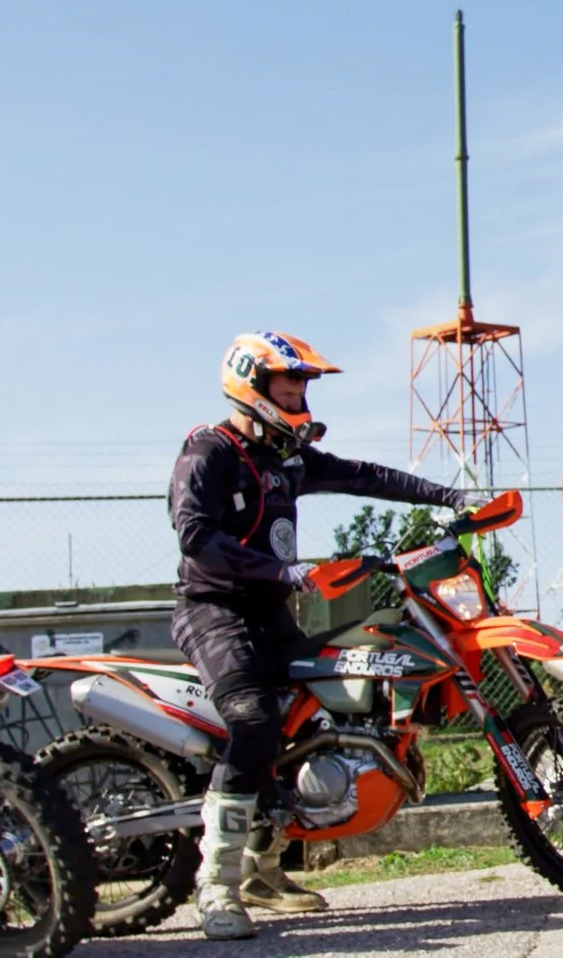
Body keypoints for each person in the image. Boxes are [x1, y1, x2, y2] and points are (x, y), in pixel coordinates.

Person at [171, 332, 475, 940]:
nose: (301, 394)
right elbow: (195, 538)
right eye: (291, 384)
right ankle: (216, 888)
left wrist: (447, 497)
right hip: (215, 614)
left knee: (308, 723)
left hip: (274, 614)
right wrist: (280, 570)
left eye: (304, 384)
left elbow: (359, 476)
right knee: (256, 723)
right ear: (253, 385)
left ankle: (263, 870)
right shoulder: (210, 451)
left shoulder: (283, 456)